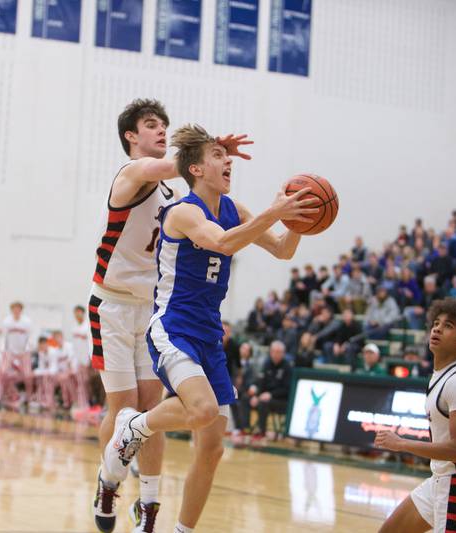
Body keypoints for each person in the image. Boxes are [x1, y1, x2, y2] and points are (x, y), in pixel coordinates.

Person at [102, 124, 315, 533]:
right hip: (173, 327)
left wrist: (301, 220)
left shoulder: (237, 210)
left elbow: (284, 250)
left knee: (213, 448)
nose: (228, 160)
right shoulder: (183, 211)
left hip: (209, 336)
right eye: (218, 155)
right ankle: (134, 426)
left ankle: (182, 530)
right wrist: (275, 211)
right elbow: (223, 243)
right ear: (196, 169)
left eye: (226, 155)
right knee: (200, 410)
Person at [87, 99, 184, 533]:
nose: (162, 130)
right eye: (151, 125)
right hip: (111, 304)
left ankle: (150, 502)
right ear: (131, 135)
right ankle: (108, 480)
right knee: (123, 408)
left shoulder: (173, 193)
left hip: (152, 309)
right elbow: (167, 168)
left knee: (153, 410)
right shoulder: (130, 174)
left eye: (165, 125)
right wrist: (208, 151)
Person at [375, 298, 456, 533]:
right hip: (440, 477)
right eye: (436, 323)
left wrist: (402, 443)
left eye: (448, 325)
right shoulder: (440, 375)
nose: (437, 328)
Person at [249, 341, 292, 441]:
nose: (275, 354)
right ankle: (245, 429)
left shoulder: (287, 367)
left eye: (278, 352)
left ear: (283, 353)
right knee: (247, 398)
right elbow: (261, 383)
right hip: (266, 398)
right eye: (273, 351)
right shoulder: (267, 364)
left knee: (263, 403)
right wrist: (256, 395)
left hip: (282, 401)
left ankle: (261, 432)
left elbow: (287, 389)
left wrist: (271, 394)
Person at [0, 301, 35, 407]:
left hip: (24, 352)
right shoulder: (6, 321)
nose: (16, 311)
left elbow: (31, 337)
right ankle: (0, 396)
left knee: (28, 375)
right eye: (14, 309)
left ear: (21, 310)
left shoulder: (27, 322)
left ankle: (29, 397)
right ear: (11, 310)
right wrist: (3, 350)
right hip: (10, 352)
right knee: (3, 373)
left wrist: (27, 350)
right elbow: (3, 337)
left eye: (18, 309)